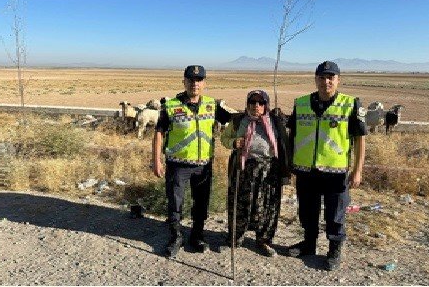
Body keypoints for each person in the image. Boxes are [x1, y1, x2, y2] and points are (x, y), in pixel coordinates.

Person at [287, 61, 366, 270]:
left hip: (336, 172)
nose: (326, 82)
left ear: (338, 80)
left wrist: (357, 170)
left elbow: (359, 139)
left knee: (335, 214)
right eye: (322, 77)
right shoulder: (301, 103)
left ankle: (334, 250)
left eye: (331, 77)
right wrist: (290, 165)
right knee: (307, 211)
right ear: (316, 79)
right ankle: (309, 244)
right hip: (306, 170)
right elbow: (292, 135)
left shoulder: (351, 104)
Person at [152, 65, 232, 258]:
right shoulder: (171, 105)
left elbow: (232, 120)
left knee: (201, 203)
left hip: (203, 165)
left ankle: (197, 236)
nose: (194, 84)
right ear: (184, 82)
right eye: (190, 80)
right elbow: (159, 133)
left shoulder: (212, 105)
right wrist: (156, 161)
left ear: (204, 83)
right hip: (177, 164)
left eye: (199, 80)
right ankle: (176, 237)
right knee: (175, 203)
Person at [220, 90, 289, 257]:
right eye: (252, 102)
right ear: (247, 104)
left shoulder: (275, 121)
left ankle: (264, 241)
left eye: (260, 103)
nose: (256, 106)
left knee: (268, 206)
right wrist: (233, 142)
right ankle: (235, 238)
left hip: (269, 170)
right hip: (243, 168)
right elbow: (224, 139)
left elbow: (285, 140)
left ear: (266, 105)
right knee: (239, 204)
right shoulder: (237, 120)